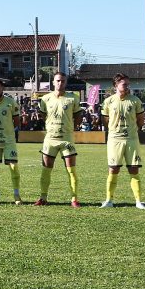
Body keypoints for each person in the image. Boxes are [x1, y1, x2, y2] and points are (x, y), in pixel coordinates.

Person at [98, 74, 145, 209]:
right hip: (115, 139)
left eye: (127, 84)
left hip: (131, 139)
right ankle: (109, 200)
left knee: (134, 169)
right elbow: (105, 119)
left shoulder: (135, 100)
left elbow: (140, 119)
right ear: (116, 85)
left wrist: (135, 129)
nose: (126, 86)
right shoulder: (108, 101)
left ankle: (138, 201)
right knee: (113, 169)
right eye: (124, 84)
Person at [35, 72, 83, 207]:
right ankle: (43, 198)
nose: (60, 83)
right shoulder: (45, 99)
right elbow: (42, 115)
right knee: (46, 170)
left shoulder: (73, 98)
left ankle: (74, 199)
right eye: (58, 81)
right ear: (53, 82)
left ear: (66, 82)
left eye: (62, 81)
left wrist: (73, 126)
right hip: (50, 139)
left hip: (66, 139)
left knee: (71, 170)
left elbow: (78, 115)